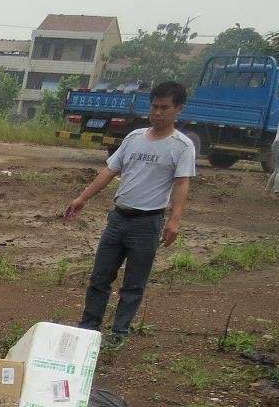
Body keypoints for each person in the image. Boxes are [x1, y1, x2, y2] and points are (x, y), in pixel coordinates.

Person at [65, 80, 195, 347]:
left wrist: (175, 220)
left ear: (178, 110)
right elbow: (111, 170)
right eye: (155, 107)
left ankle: (119, 333)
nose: (158, 112)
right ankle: (89, 327)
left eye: (165, 108)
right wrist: (82, 198)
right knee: (100, 276)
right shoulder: (134, 138)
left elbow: (182, 183)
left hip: (147, 223)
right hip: (118, 218)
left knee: (134, 283)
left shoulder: (181, 147)